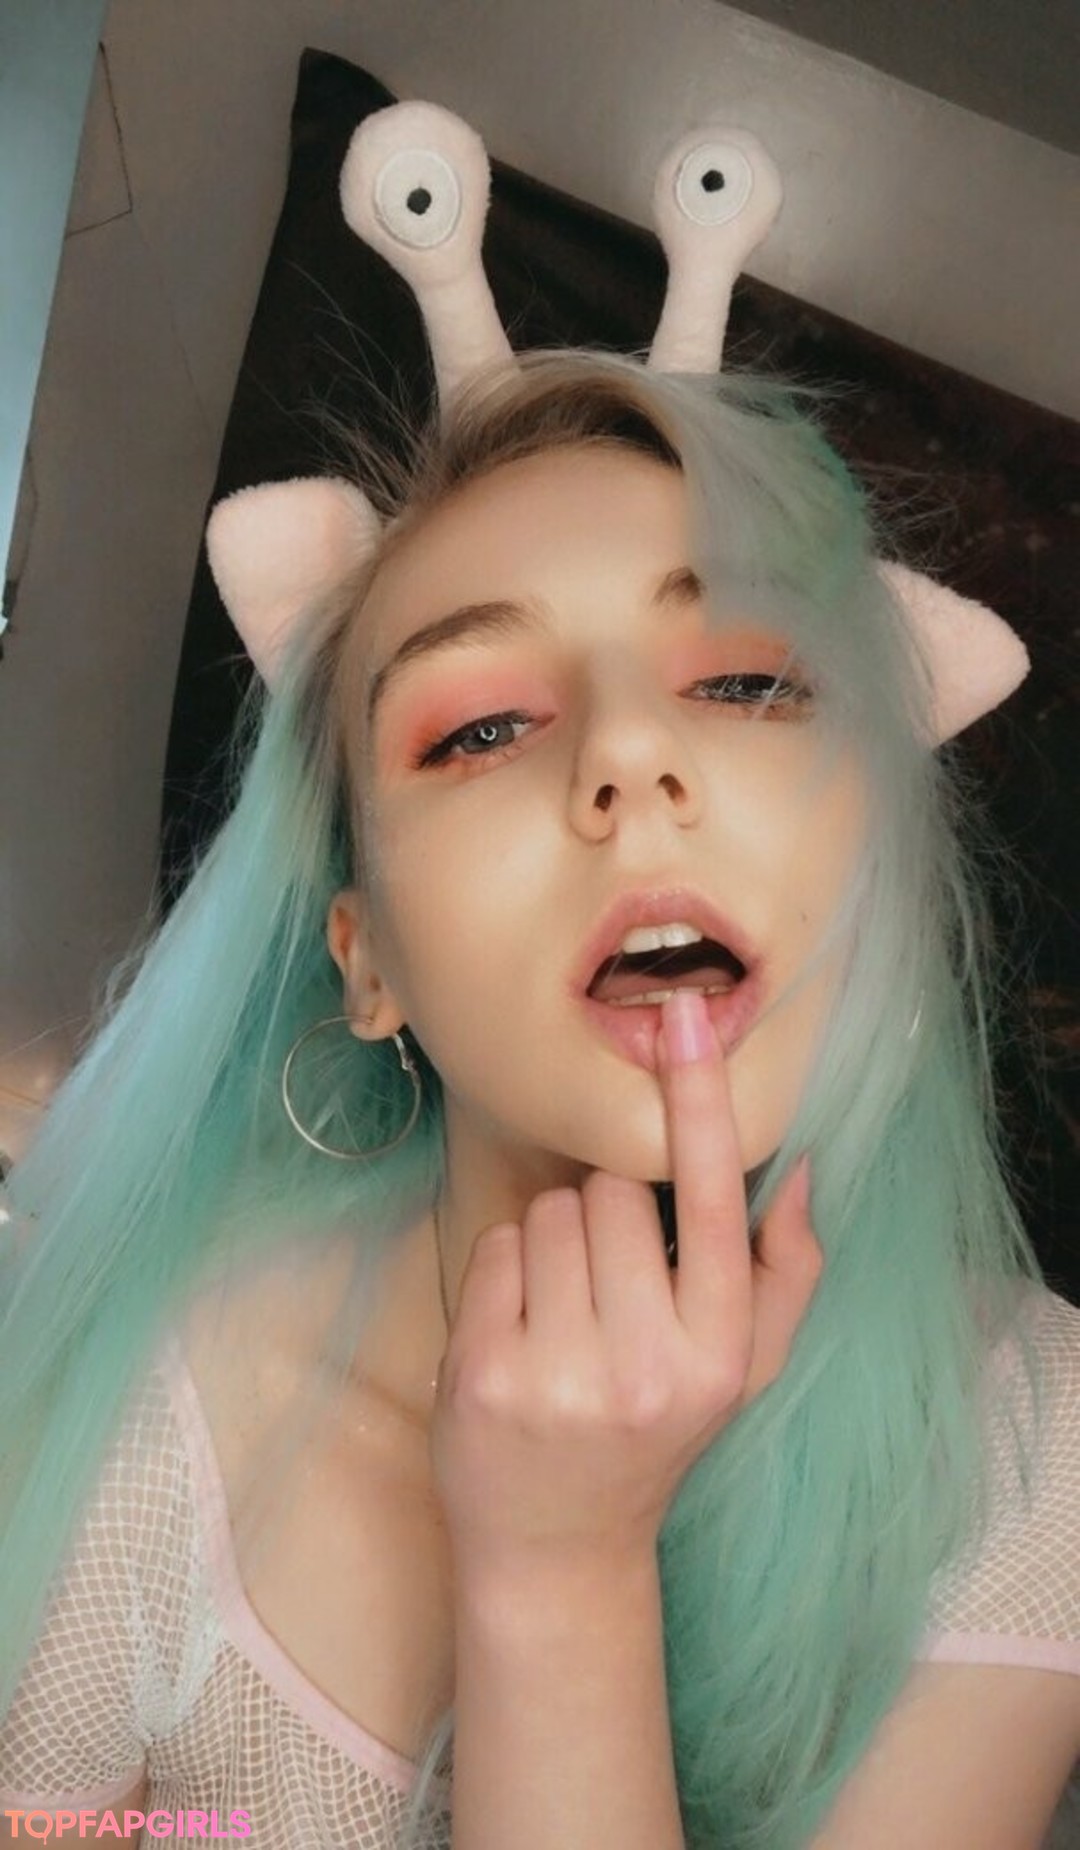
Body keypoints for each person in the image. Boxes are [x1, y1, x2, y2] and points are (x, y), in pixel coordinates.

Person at [1, 103, 1078, 1850]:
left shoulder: (1038, 1438)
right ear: (368, 965)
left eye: (744, 681)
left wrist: (562, 1571)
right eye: (483, 725)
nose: (632, 757)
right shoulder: (139, 1405)